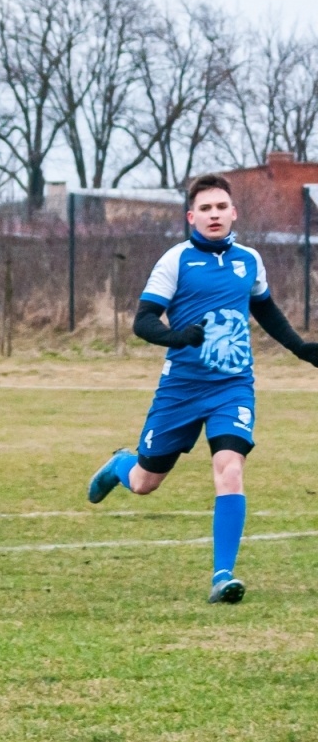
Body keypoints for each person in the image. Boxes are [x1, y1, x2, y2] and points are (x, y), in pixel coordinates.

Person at [87, 173, 318, 603]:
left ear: (234, 213)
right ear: (192, 216)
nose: (214, 215)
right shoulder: (175, 261)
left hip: (233, 386)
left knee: (230, 468)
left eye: (221, 207)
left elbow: (266, 310)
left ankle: (223, 576)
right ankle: (121, 464)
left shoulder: (249, 260)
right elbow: (143, 321)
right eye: (205, 209)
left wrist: (301, 348)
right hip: (181, 388)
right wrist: (178, 338)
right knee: (144, 482)